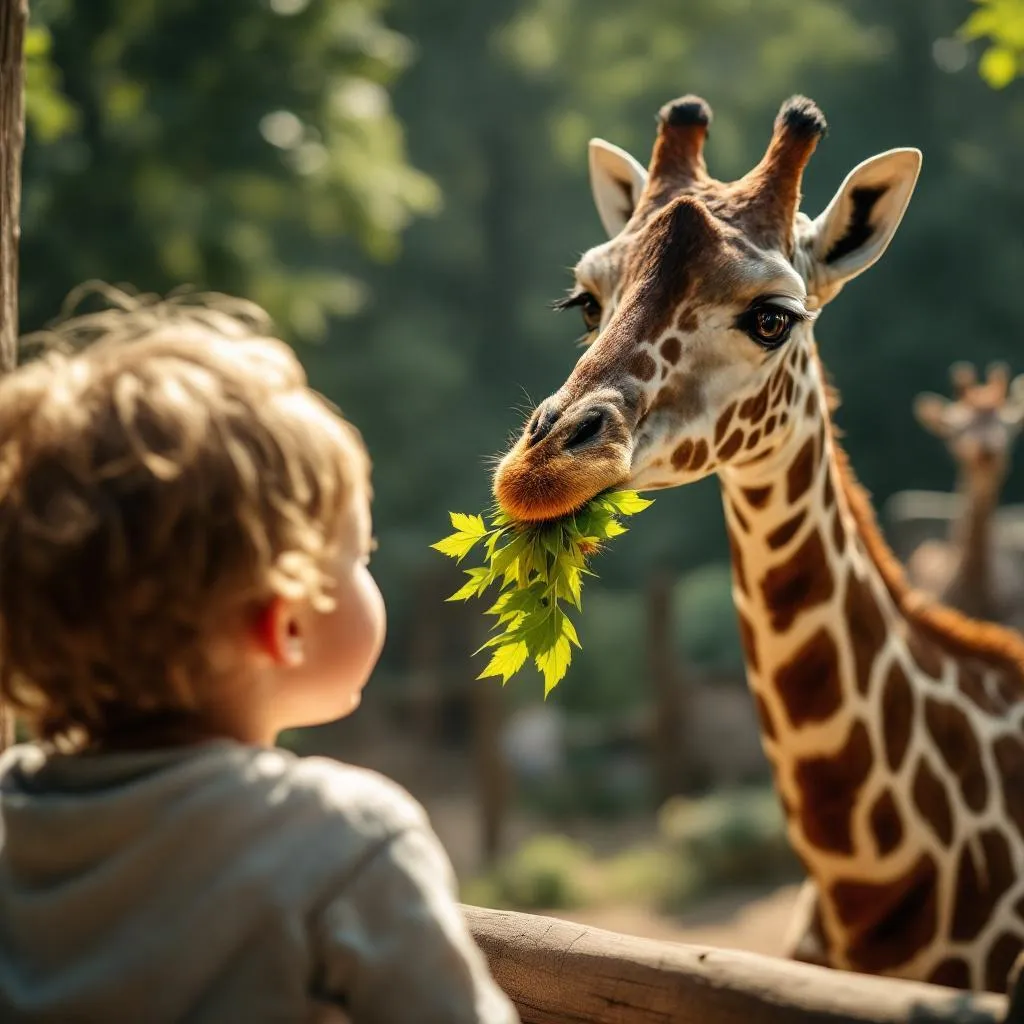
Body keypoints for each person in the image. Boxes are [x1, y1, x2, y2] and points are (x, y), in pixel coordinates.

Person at [0, 288, 519, 1024]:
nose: (370, 573)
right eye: (357, 555)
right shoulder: (347, 845)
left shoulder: (13, 825)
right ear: (286, 625)